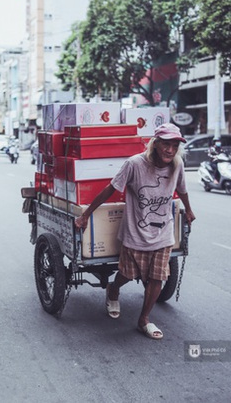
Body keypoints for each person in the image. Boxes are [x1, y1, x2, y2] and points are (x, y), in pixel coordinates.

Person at [74, 123, 196, 340]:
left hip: (163, 232)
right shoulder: (134, 164)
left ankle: (144, 320)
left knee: (157, 276)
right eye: (166, 144)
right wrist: (85, 215)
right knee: (129, 274)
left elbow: (182, 190)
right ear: (155, 145)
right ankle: (113, 288)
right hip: (135, 233)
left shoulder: (177, 165)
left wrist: (189, 211)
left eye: (175, 145)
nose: (170, 150)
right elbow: (111, 189)